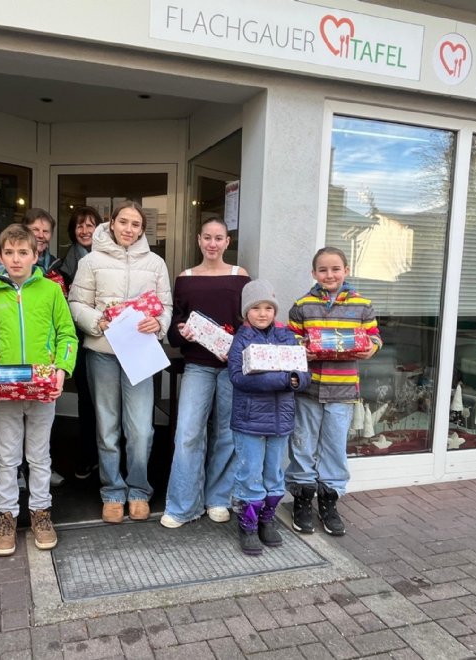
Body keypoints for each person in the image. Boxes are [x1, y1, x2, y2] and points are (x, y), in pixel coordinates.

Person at [69, 200, 172, 524]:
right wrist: (96, 321)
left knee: (140, 429)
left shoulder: (155, 263)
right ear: (111, 223)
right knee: (107, 425)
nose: (129, 229)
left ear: (142, 230)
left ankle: (139, 489)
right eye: (123, 222)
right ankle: (113, 491)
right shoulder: (91, 261)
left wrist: (159, 324)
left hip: (139, 352)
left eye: (135, 224)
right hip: (102, 353)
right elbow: (76, 302)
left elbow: (165, 306)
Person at [0, 224, 77, 556]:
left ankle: (40, 511)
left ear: (36, 255)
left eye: (23, 252)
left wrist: (62, 370)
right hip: (5, 392)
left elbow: (67, 334)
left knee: (39, 456)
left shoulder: (50, 291)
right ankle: (6, 515)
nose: (16, 259)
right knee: (7, 457)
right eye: (9, 253)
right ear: (0, 256)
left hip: (42, 388)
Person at [285, 247, 381, 537]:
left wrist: (371, 348)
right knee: (303, 445)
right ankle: (302, 498)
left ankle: (329, 500)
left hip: (343, 390)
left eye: (335, 269)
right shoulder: (302, 305)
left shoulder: (362, 305)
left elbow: (374, 337)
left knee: (335, 448)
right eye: (323, 270)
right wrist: (301, 349)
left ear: (346, 270)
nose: (330, 275)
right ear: (314, 273)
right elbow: (290, 339)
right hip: (308, 389)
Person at [161, 218, 249, 528]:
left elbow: (249, 323)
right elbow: (174, 326)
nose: (213, 244)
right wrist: (181, 331)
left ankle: (218, 498)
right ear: (199, 240)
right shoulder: (185, 278)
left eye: (219, 238)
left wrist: (236, 349)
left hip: (230, 367)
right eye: (207, 238)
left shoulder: (240, 277)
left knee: (227, 433)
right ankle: (183, 505)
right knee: (188, 433)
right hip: (197, 365)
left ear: (227, 242)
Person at [227, 279, 309, 556]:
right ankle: (248, 524)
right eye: (256, 308)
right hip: (249, 420)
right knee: (250, 472)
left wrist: (295, 380)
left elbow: (303, 373)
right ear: (245, 311)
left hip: (280, 420)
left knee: (274, 472)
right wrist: (283, 379)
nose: (262, 313)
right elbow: (239, 377)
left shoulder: (287, 337)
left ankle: (267, 519)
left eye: (268, 308)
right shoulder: (241, 339)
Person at [22, 207, 67, 486]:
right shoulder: (3, 269)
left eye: (45, 231)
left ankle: (40, 471)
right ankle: (16, 472)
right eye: (35, 229)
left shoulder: (55, 273)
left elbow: (64, 322)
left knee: (41, 422)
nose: (40, 235)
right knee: (11, 425)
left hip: (45, 358)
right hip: (12, 359)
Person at [58, 206, 104, 480]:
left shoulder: (111, 257)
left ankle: (110, 457)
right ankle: (88, 455)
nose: (85, 230)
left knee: (110, 403)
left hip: (110, 340)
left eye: (90, 225)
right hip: (81, 339)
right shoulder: (65, 266)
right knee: (87, 400)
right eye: (79, 226)